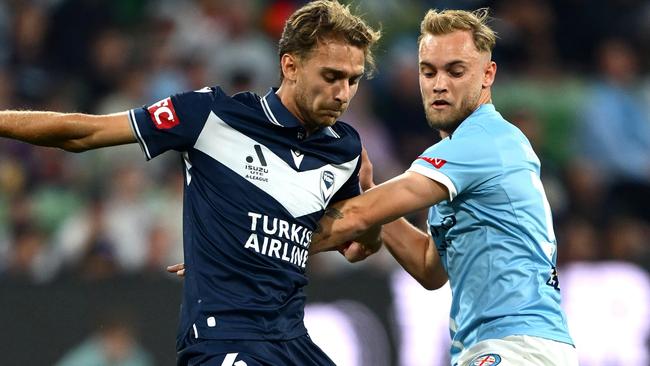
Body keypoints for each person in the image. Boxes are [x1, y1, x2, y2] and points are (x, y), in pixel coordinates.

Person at [0, 1, 380, 365]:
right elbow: (82, 133)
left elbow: (355, 243)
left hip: (292, 342)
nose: (343, 94)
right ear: (290, 66)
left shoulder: (344, 150)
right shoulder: (210, 116)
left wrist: (246, 243)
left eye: (353, 80)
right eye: (331, 77)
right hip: (224, 338)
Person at [311, 8, 578, 366]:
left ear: (488, 75)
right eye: (428, 71)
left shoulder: (480, 141)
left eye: (455, 71)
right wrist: (369, 188)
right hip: (505, 346)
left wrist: (266, 241)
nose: (439, 84)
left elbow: (357, 216)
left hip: (514, 346)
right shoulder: (464, 165)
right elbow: (429, 267)